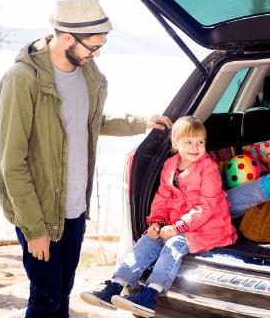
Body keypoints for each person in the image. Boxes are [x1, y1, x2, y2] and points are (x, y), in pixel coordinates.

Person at [0, 0, 173, 318]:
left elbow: (92, 122)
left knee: (61, 294)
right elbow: (12, 163)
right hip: (40, 212)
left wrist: (139, 122)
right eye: (93, 45)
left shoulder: (87, 75)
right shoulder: (24, 81)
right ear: (66, 37)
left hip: (75, 210)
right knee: (45, 299)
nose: (98, 52)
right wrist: (35, 229)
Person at [80, 115, 238, 317]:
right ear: (175, 144)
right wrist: (156, 222)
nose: (195, 147)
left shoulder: (208, 169)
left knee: (174, 244)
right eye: (188, 142)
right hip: (177, 223)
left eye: (200, 142)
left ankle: (150, 295)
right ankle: (115, 286)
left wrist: (177, 228)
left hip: (209, 227)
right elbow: (162, 197)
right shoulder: (170, 165)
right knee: (149, 239)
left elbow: (205, 208)